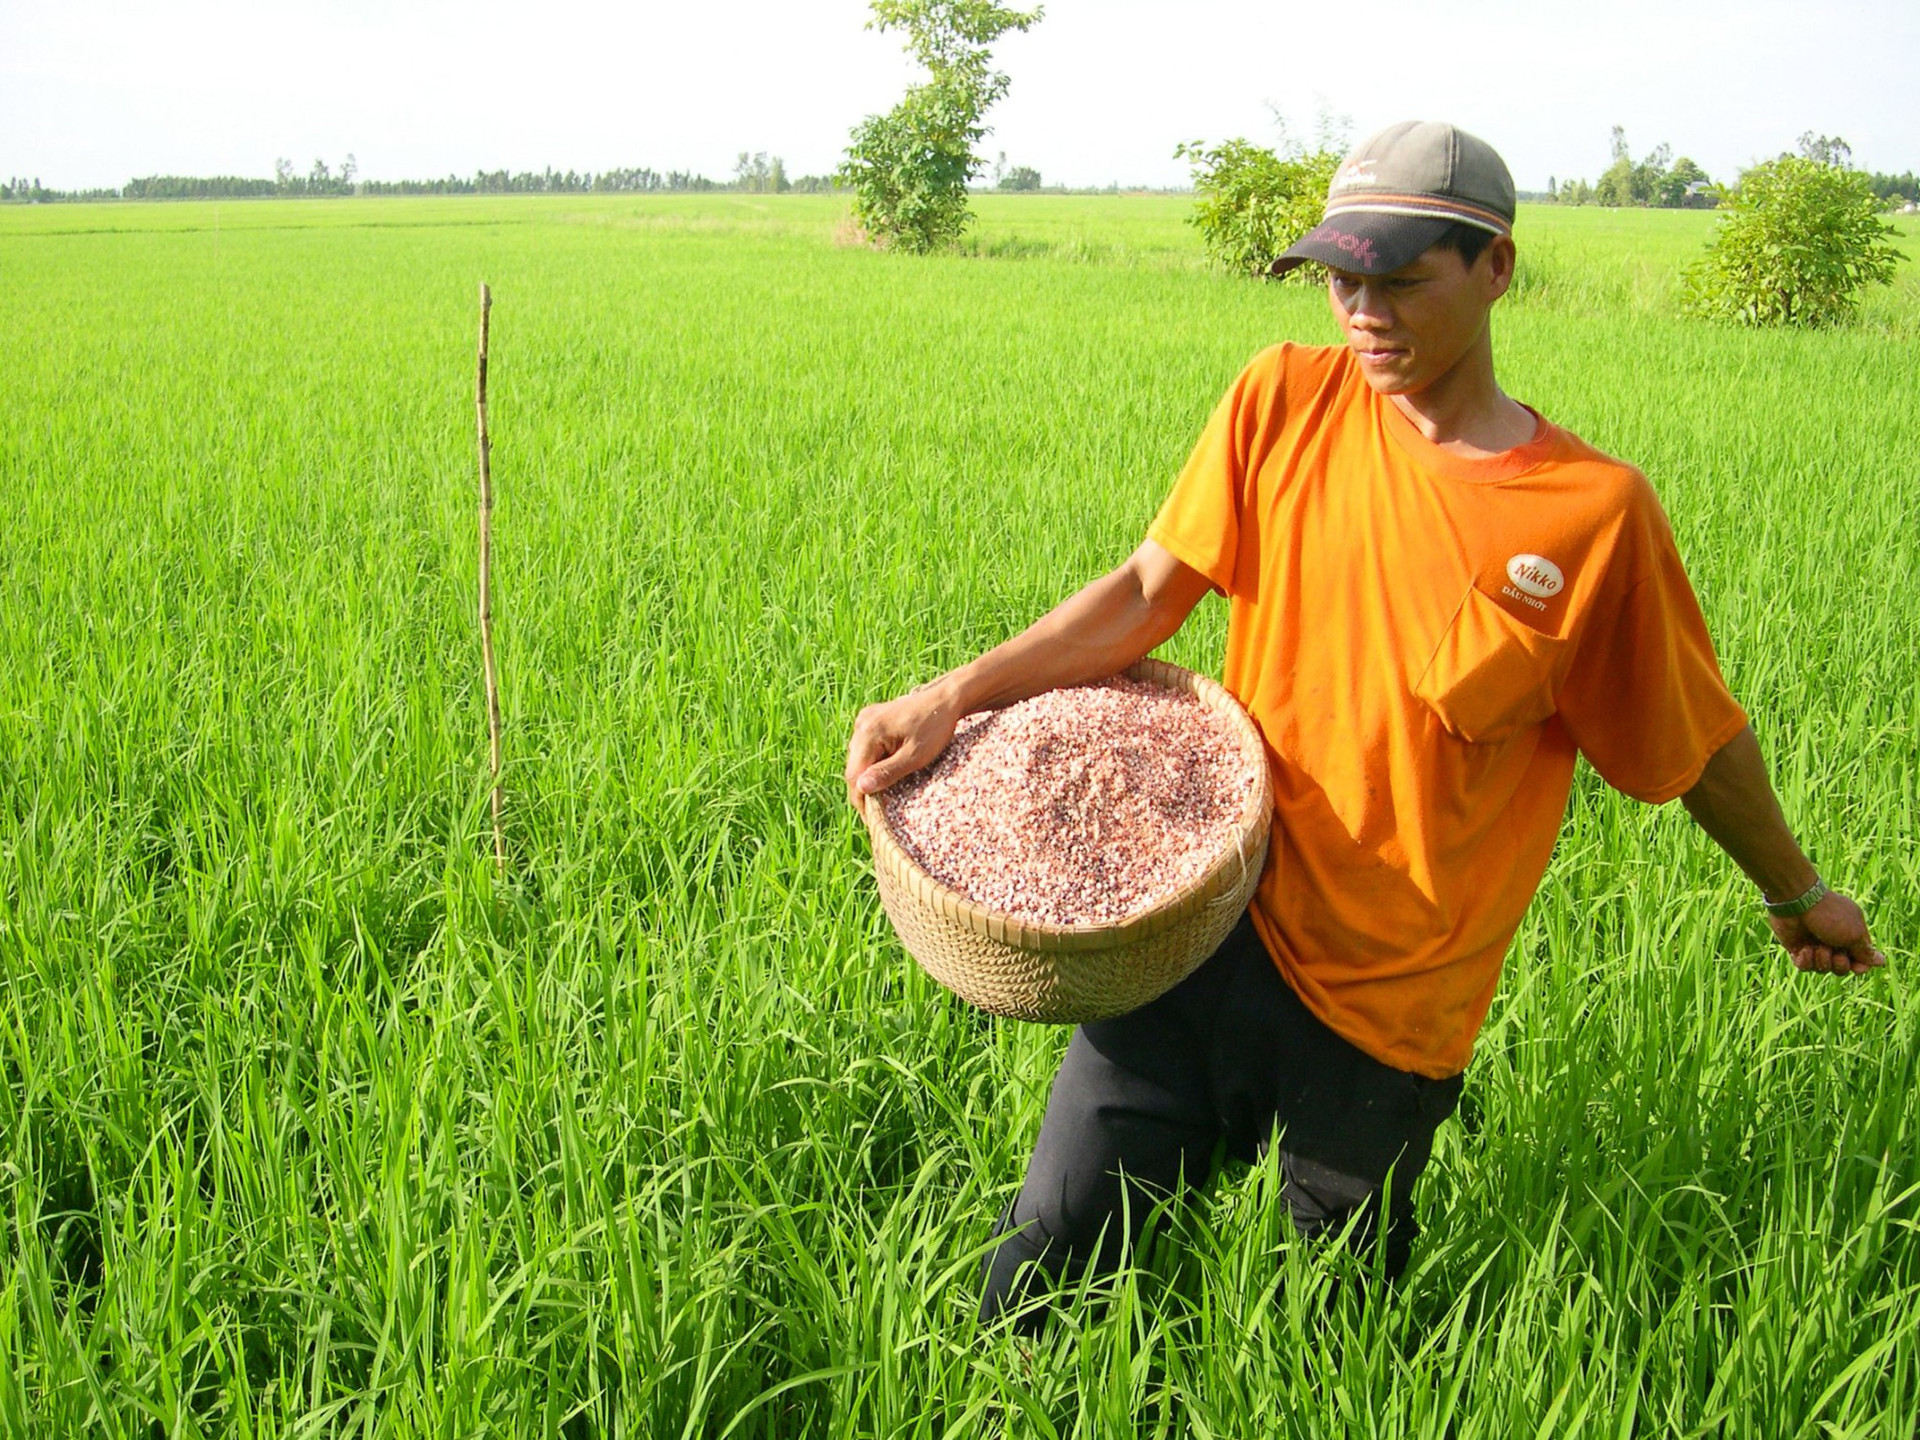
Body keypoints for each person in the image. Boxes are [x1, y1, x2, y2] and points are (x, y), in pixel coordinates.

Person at [842, 120, 1886, 1331]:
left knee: (1330, 1338)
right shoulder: (1283, 401)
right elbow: (1142, 596)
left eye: (1401, 280)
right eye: (1343, 278)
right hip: (1200, 925)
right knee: (1043, 1267)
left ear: (1497, 268)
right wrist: (953, 695)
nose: (1364, 312)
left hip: (1393, 1007)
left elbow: (1694, 742)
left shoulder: (1592, 517)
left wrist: (1795, 894)